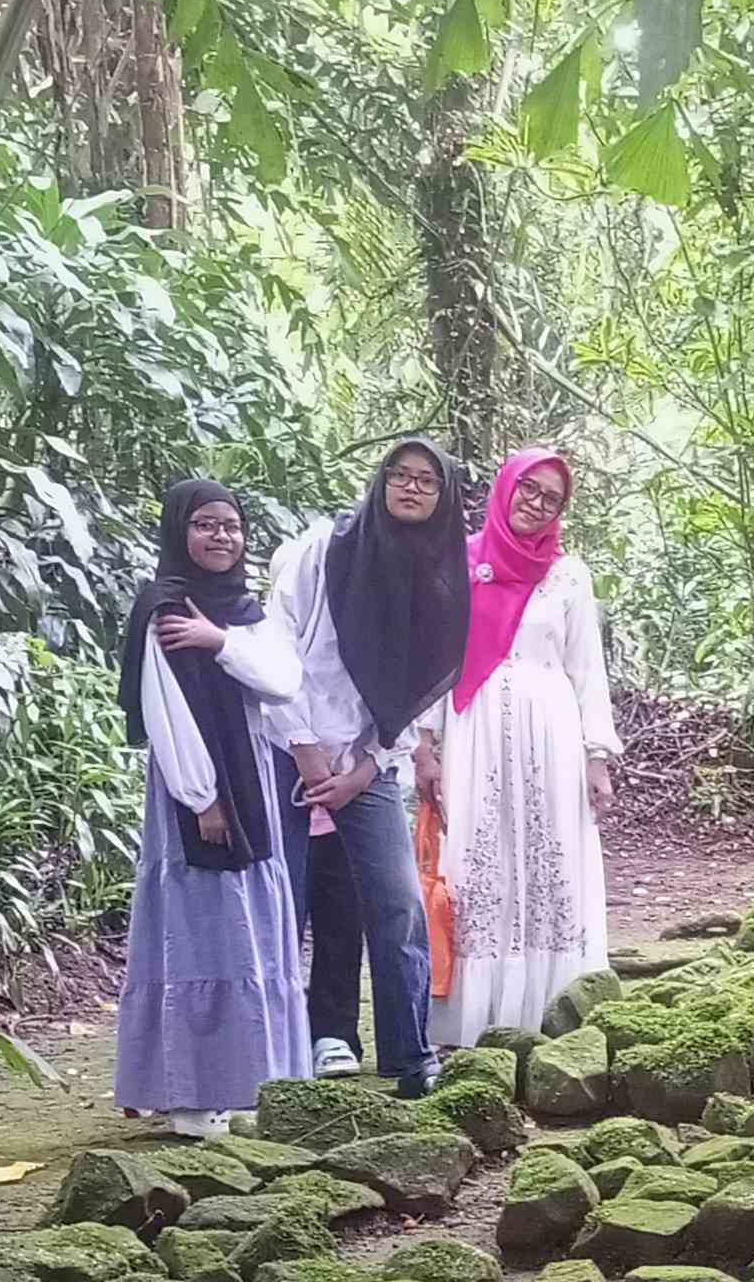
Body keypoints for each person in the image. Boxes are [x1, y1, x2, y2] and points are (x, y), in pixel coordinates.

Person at [263, 431, 472, 1097]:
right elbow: (276, 644)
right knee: (280, 907)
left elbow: (413, 687)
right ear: (381, 482)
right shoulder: (324, 548)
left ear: (443, 498)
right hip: (284, 749)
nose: (411, 488)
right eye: (400, 476)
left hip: (366, 762)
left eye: (426, 481)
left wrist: (366, 764)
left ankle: (411, 1059)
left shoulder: (434, 574)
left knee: (397, 905)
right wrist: (302, 745)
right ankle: (272, 1061)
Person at [114, 477, 308, 1135]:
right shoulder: (164, 608)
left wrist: (220, 640)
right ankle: (194, 1099)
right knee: (198, 933)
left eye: (231, 525)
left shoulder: (243, 612)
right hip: (193, 792)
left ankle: (252, 1084)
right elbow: (164, 714)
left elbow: (283, 681)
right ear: (179, 532)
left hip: (250, 776)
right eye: (206, 525)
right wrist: (202, 801)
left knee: (249, 927)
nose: (221, 537)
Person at [419, 445, 619, 1047]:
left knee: (550, 860)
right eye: (529, 489)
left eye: (551, 498)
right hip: (473, 729)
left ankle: (557, 1014)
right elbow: (436, 657)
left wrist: (597, 755)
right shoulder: (458, 560)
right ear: (506, 487)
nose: (536, 504)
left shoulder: (569, 574)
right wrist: (424, 744)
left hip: (552, 734)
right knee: (480, 860)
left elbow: (588, 669)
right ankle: (477, 1020)